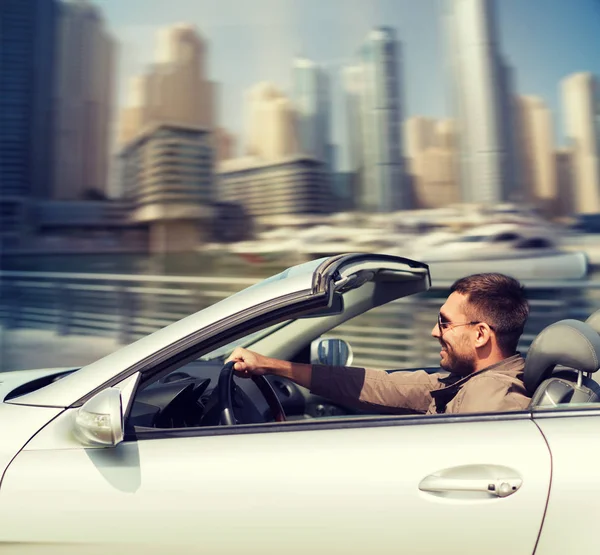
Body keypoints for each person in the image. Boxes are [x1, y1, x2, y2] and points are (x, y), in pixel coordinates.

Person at [227, 273, 531, 415]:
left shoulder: (493, 399)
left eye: (444, 323)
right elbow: (381, 385)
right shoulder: (465, 382)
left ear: (480, 335)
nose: (434, 332)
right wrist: (270, 365)